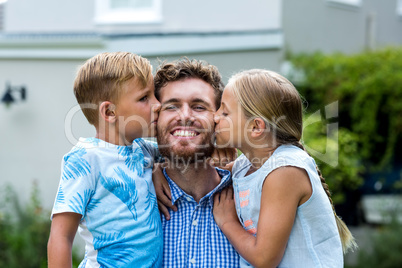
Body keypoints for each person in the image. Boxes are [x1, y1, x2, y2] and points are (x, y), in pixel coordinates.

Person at [212, 69, 357, 268]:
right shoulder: (246, 165)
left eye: (225, 112)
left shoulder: (284, 171)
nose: (215, 117)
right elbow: (208, 172)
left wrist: (227, 222)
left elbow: (265, 259)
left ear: (256, 127)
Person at [47, 52, 163, 267]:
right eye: (144, 98)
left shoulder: (145, 150)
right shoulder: (85, 159)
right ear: (109, 112)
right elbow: (61, 236)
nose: (158, 104)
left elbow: (183, 156)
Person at [153, 58, 240, 267]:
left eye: (199, 107)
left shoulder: (250, 197)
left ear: (218, 118)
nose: (185, 116)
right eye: (171, 106)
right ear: (154, 119)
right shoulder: (134, 196)